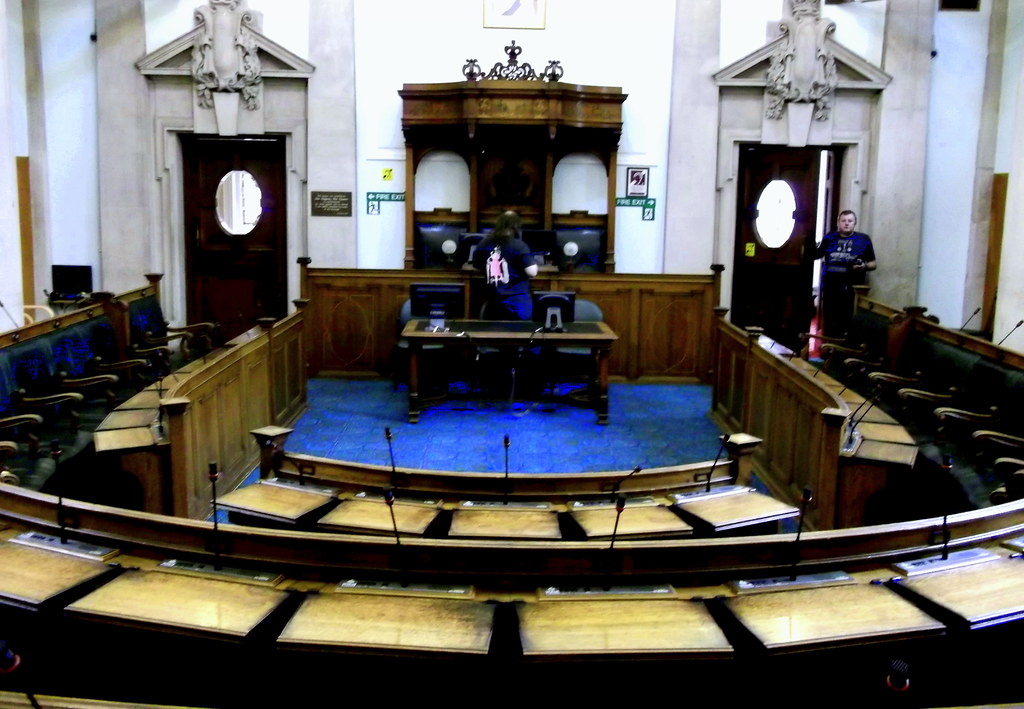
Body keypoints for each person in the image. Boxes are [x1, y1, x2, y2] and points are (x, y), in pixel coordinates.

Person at [815, 209, 876, 337]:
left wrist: (864, 266)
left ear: (855, 223)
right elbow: (816, 255)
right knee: (830, 321)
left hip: (852, 289)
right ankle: (828, 345)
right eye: (843, 221)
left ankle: (844, 346)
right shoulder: (829, 238)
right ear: (838, 223)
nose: (846, 223)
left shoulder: (863, 239)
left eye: (850, 221)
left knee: (848, 321)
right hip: (831, 287)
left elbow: (873, 264)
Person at [471, 210, 539, 320]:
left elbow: (476, 265)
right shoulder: (519, 246)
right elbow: (532, 272)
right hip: (517, 302)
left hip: (493, 301)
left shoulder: (484, 243)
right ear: (516, 226)